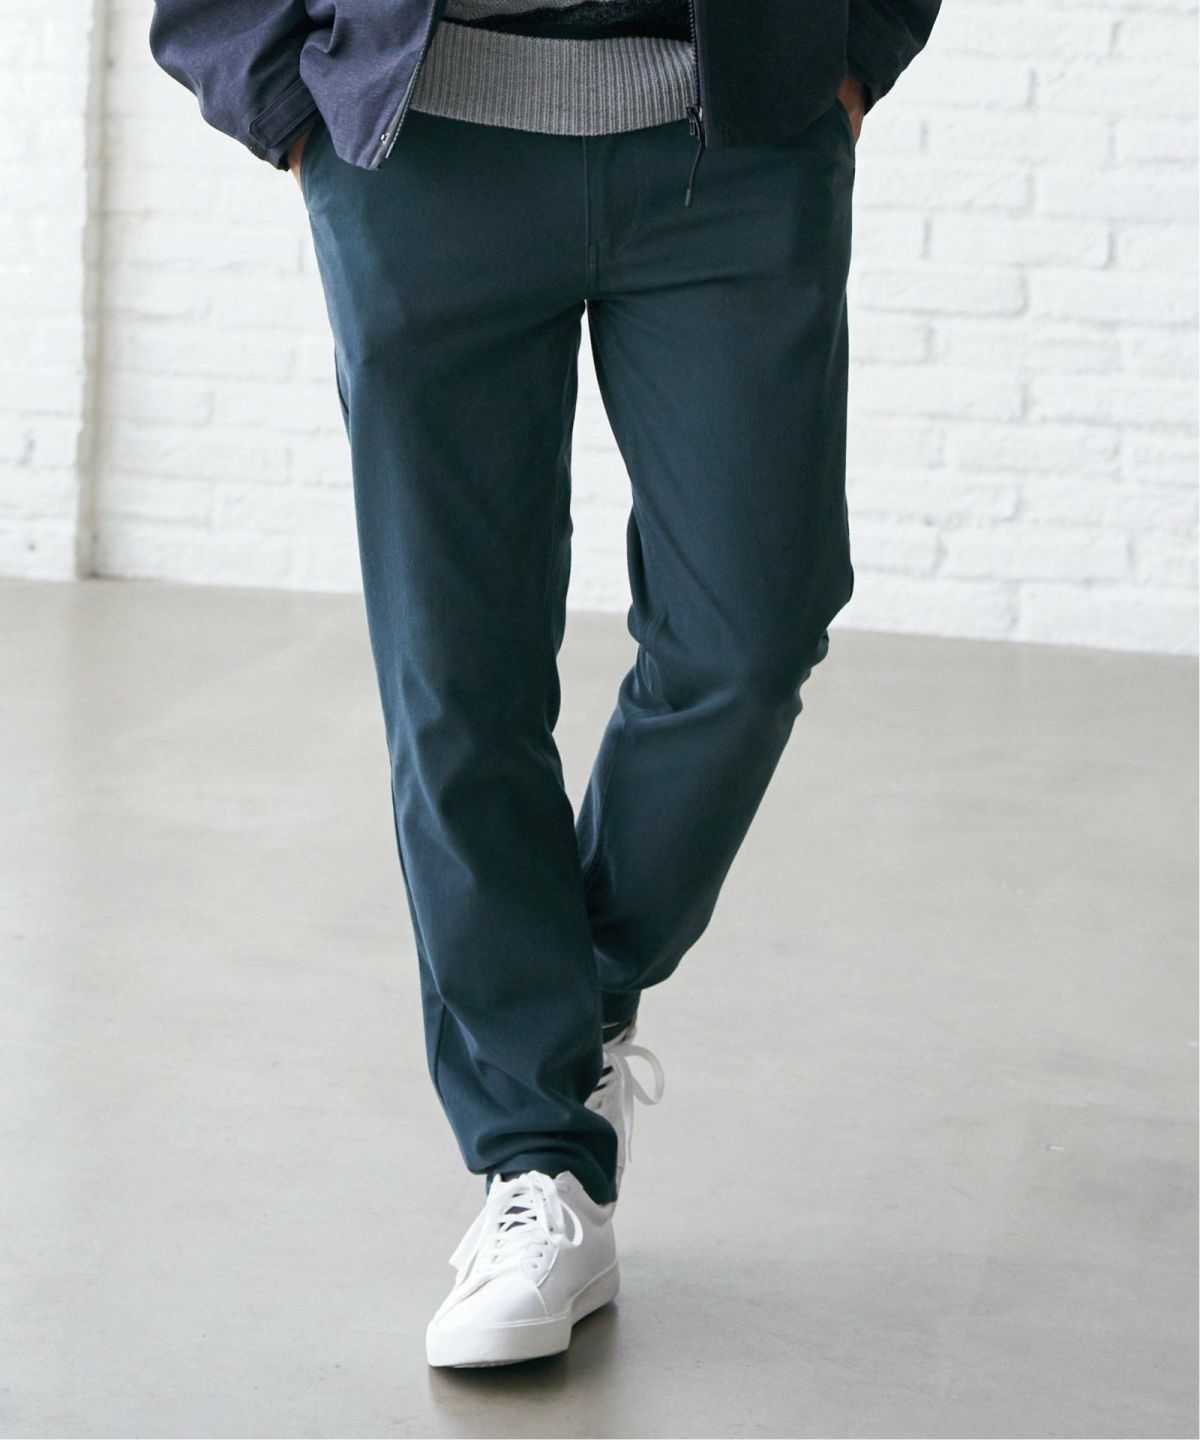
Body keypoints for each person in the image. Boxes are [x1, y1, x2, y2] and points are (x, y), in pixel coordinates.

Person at [150, 0, 941, 1369]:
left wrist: (853, 53)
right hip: (424, 148)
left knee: (752, 631)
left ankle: (567, 1001)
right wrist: (282, 104)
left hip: (733, 134)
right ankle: (538, 1159)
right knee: (458, 672)